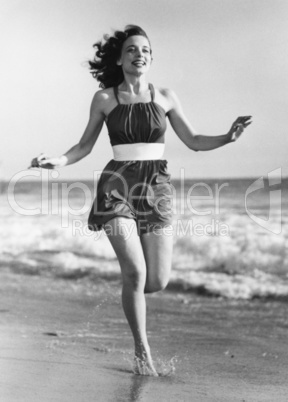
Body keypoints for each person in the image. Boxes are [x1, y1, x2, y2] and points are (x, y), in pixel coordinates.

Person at [30, 25, 252, 376]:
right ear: (120, 58)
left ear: (151, 58)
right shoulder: (105, 98)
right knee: (135, 272)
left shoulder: (165, 96)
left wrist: (228, 137)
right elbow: (84, 145)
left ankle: (128, 294)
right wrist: (58, 160)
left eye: (146, 50)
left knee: (156, 281)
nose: (140, 54)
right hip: (117, 185)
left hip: (157, 187)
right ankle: (142, 351)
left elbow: (193, 140)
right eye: (132, 49)